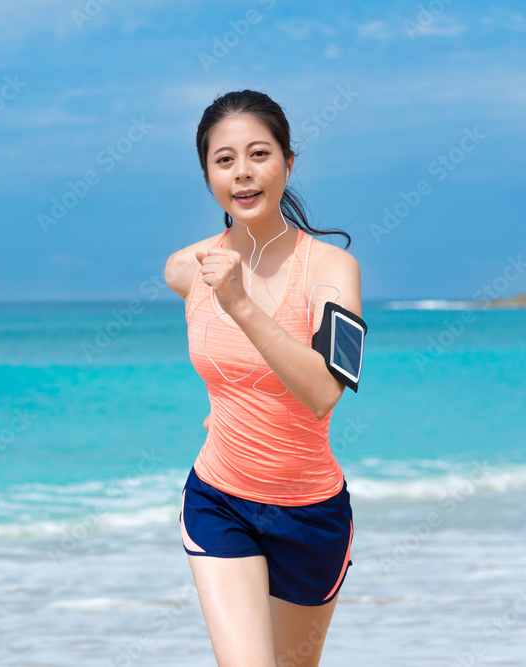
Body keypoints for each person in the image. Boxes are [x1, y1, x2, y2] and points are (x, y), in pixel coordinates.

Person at [164, 89, 362, 667]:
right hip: (219, 500)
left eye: (259, 154)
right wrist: (224, 405)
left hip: (311, 516)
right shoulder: (186, 268)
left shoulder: (332, 270)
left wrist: (242, 304)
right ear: (207, 174)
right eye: (224, 160)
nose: (243, 173)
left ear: (288, 163)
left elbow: (326, 390)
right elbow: (224, 369)